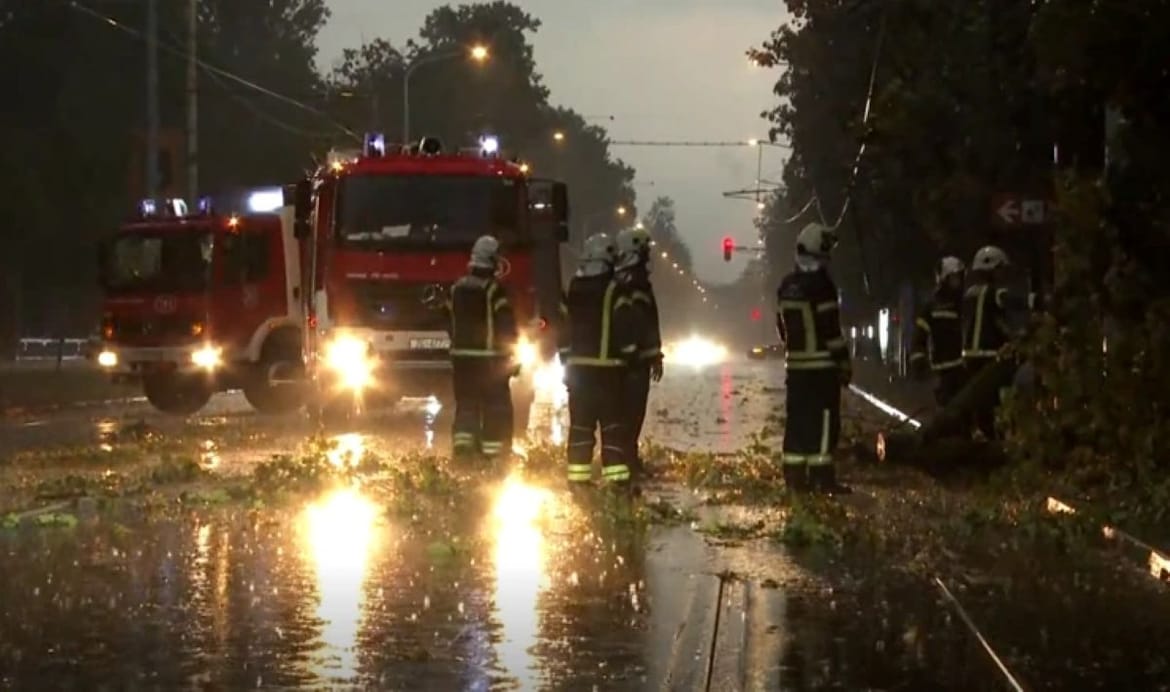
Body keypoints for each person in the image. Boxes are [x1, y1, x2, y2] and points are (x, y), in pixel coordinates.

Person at [559, 233, 641, 489]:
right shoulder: (616, 290)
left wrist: (566, 358)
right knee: (613, 429)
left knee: (580, 429)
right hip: (608, 375)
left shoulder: (573, 289)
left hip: (578, 374)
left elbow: (562, 330)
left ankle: (578, 481)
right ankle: (616, 483)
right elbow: (626, 330)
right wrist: (632, 358)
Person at [776, 222, 852, 494]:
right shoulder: (822, 286)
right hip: (821, 369)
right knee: (824, 422)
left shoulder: (786, 286)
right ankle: (822, 478)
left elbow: (781, 328)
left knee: (797, 422)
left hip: (795, 368)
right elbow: (831, 330)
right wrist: (843, 362)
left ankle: (794, 477)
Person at [447, 235, 518, 460]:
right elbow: (506, 327)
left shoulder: (456, 288)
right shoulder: (494, 291)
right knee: (495, 407)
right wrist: (511, 359)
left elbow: (448, 320)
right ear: (493, 260)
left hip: (461, 360)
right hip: (490, 361)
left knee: (466, 404)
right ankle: (493, 455)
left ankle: (463, 450)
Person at [961, 245, 1034, 439]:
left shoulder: (969, 293)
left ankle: (979, 435)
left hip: (969, 354)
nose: (1003, 274)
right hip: (989, 353)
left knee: (978, 400)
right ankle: (993, 440)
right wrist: (1033, 301)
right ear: (993, 268)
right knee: (994, 400)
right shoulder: (993, 293)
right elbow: (1010, 303)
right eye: (1000, 269)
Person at [614, 227, 663, 480]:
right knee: (631, 413)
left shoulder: (624, 280)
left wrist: (655, 355)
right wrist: (650, 355)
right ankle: (627, 461)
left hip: (630, 361)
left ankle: (627, 459)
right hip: (633, 364)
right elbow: (641, 324)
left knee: (629, 413)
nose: (648, 256)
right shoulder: (635, 283)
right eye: (645, 251)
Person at [909, 256, 967, 406]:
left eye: (959, 278)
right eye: (954, 278)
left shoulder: (963, 305)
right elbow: (919, 338)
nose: (958, 283)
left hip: (962, 372)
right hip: (941, 375)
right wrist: (920, 363)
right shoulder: (931, 308)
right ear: (944, 279)